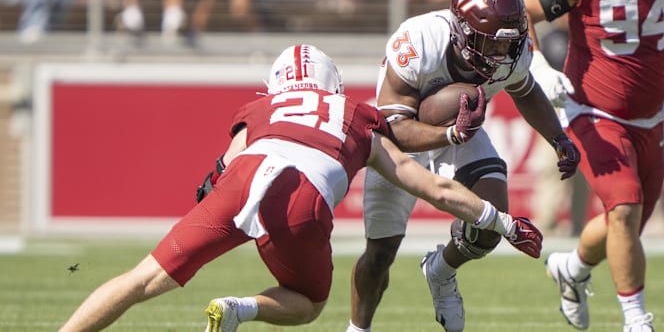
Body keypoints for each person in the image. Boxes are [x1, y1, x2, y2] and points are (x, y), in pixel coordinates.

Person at [58, 44, 543, 332]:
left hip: (246, 177)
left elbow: (221, 170)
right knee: (309, 304)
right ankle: (239, 308)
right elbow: (431, 185)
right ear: (331, 84)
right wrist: (499, 219)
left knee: (143, 279)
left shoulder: (262, 110)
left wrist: (211, 192)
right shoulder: (358, 118)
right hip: (301, 199)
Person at [348, 0, 581, 332]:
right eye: (492, 44)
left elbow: (526, 89)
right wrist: (450, 134)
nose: (502, 54)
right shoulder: (419, 39)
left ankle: (441, 270)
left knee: (489, 225)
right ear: (462, 30)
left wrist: (557, 137)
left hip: (460, 129)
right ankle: (357, 328)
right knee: (380, 254)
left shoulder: (512, 52)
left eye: (509, 44)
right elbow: (393, 127)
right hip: (399, 142)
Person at [519, 0, 664, 330]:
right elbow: (521, 10)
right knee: (624, 208)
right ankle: (635, 320)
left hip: (650, 116)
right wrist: (536, 64)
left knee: (624, 222)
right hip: (591, 110)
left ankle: (571, 269)